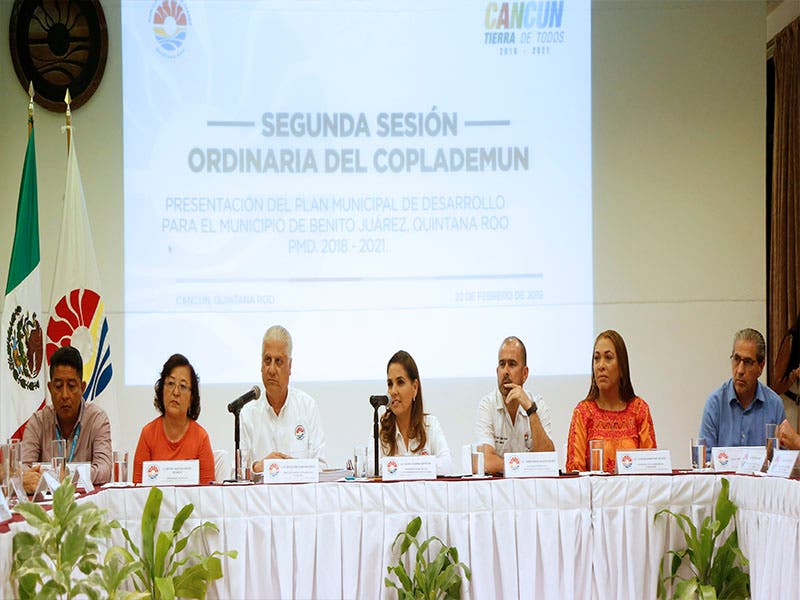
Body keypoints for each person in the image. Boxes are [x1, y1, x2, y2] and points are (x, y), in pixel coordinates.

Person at [21, 346, 112, 492]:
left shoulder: (97, 419)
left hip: (86, 502)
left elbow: (104, 469)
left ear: (82, 388)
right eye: (58, 386)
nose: (64, 395)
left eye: (71, 386)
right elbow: (23, 469)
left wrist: (63, 476)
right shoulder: (38, 421)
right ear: (50, 388)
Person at [566, 330, 656, 473]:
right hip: (593, 488)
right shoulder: (583, 412)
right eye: (596, 358)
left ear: (622, 367)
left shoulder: (639, 410)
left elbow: (651, 468)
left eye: (608, 358)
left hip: (633, 488)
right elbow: (574, 472)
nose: (600, 365)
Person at [241, 325, 327, 472]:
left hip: (300, 487)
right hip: (261, 488)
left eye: (278, 361)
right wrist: (257, 467)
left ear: (290, 366)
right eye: (267, 360)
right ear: (261, 365)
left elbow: (322, 466)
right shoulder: (248, 414)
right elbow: (237, 474)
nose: (271, 370)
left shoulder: (307, 407)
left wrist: (292, 469)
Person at [474, 336, 554, 474]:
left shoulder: (538, 405)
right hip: (499, 486)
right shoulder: (487, 405)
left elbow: (548, 459)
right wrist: (525, 465)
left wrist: (530, 410)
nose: (505, 371)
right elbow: (485, 462)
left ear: (525, 373)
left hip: (531, 485)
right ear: (497, 371)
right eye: (502, 364)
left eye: (512, 364)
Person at [698, 328, 786, 453]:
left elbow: (782, 459)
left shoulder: (775, 405)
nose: (740, 370)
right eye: (736, 359)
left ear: (761, 367)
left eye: (748, 362)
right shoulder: (715, 404)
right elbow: (705, 458)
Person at [132, 353, 215, 484]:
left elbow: (208, 491)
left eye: (183, 386)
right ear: (162, 389)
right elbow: (137, 487)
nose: (175, 392)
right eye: (170, 383)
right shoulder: (148, 434)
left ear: (191, 397)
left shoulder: (201, 438)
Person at [379, 350, 452, 475]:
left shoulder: (430, 424)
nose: (393, 391)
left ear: (415, 387)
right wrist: (420, 466)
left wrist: (399, 467)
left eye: (400, 382)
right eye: (390, 384)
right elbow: (371, 467)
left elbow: (447, 465)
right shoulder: (380, 427)